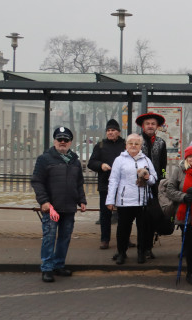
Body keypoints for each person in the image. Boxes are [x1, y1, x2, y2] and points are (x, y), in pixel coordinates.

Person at [31, 126, 87, 283]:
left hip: (69, 207)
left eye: (66, 140)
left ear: (70, 142)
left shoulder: (75, 160)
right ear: (54, 141)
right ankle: (47, 268)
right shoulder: (45, 159)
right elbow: (37, 182)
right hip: (51, 208)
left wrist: (81, 200)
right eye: (59, 139)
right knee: (49, 237)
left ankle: (58, 265)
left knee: (64, 237)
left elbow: (79, 183)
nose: (62, 142)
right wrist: (44, 201)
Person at [159, 145, 192, 285]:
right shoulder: (179, 171)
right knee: (191, 244)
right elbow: (170, 189)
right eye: (190, 156)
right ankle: (191, 273)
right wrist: (183, 197)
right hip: (185, 214)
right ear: (186, 158)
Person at [105, 132, 158, 265]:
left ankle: (141, 253)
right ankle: (122, 253)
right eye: (131, 143)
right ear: (126, 145)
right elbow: (113, 180)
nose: (133, 146)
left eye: (137, 144)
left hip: (142, 202)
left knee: (143, 229)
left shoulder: (146, 160)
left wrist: (148, 178)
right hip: (125, 201)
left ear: (141, 146)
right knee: (123, 229)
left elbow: (154, 178)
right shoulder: (119, 160)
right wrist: (110, 200)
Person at [86, 118, 125, 251]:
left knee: (125, 214)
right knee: (105, 214)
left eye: (113, 130)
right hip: (105, 184)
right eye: (108, 130)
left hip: (123, 185)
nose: (110, 132)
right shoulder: (100, 145)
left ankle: (124, 239)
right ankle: (105, 239)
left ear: (119, 132)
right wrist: (101, 165)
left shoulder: (125, 145)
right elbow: (91, 162)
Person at [134, 111, 167, 261]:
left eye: (153, 124)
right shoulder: (137, 141)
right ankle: (141, 249)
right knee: (141, 220)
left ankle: (149, 247)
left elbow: (163, 165)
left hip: (155, 185)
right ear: (142, 126)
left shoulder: (161, 142)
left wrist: (162, 179)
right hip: (138, 185)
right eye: (147, 123)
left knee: (153, 218)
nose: (150, 126)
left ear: (157, 126)